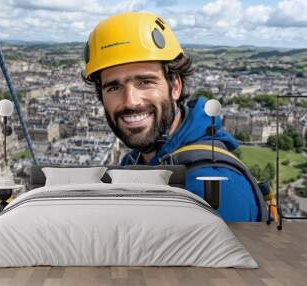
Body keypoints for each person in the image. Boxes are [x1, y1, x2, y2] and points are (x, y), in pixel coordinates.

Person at [83, 11, 269, 222]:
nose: (130, 101)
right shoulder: (136, 160)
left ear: (176, 87)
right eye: (113, 87)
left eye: (145, 82)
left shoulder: (214, 190)